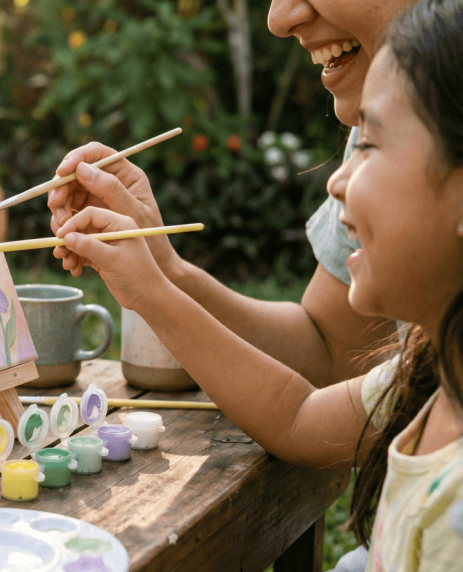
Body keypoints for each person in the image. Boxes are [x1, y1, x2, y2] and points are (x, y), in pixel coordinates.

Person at [54, 1, 463, 568]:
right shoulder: (428, 369)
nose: (339, 180)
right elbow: (301, 409)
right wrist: (163, 273)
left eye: (369, 144)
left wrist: (159, 289)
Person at [47, 0, 421, 388]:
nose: (278, 20)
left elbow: (305, 419)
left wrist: (154, 295)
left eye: (371, 152)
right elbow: (334, 355)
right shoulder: (391, 107)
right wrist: (164, 266)